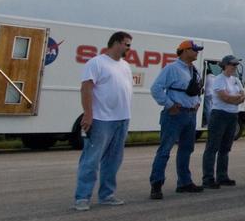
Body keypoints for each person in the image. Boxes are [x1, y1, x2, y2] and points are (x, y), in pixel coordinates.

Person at [72, 31, 134, 211]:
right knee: (91, 159)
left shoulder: (125, 66)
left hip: (122, 119)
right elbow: (86, 88)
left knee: (113, 160)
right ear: (116, 43)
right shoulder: (96, 63)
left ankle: (107, 195)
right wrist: (88, 114)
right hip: (101, 119)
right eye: (126, 44)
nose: (129, 48)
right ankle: (82, 197)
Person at [149, 39, 206, 198]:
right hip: (175, 114)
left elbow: (198, 90)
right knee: (165, 150)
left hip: (190, 114)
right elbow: (156, 89)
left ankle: (184, 182)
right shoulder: (171, 68)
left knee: (186, 149)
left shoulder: (194, 70)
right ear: (185, 50)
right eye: (194, 49)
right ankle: (156, 184)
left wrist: (197, 103)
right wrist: (169, 105)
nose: (197, 52)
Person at [201, 55, 245, 189]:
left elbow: (242, 96)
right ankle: (208, 178)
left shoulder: (236, 80)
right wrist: (236, 98)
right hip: (219, 114)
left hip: (232, 115)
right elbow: (224, 97)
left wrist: (235, 99)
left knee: (225, 148)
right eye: (233, 64)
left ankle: (222, 176)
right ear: (225, 65)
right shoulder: (218, 79)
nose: (235, 67)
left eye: (236, 65)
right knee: (212, 147)